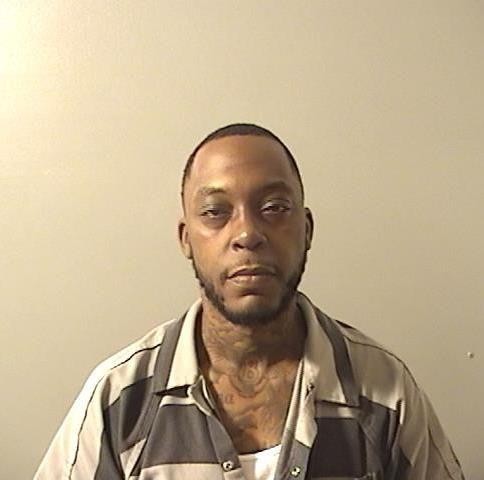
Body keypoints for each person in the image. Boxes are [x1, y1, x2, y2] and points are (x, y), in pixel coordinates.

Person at [35, 123, 465, 480]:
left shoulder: (386, 393)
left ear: (307, 230)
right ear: (186, 239)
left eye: (274, 207)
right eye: (215, 212)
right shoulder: (120, 399)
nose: (247, 234)